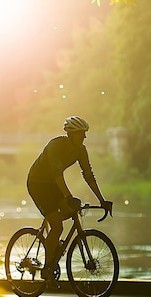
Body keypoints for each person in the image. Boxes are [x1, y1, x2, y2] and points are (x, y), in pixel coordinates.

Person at [27, 116, 112, 280]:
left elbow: (88, 175)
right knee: (58, 226)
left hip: (52, 184)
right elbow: (57, 173)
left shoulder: (81, 150)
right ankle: (47, 268)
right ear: (71, 134)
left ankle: (53, 242)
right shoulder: (55, 146)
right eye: (81, 134)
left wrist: (102, 200)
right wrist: (69, 196)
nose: (85, 137)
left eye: (85, 134)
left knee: (71, 209)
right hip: (37, 184)